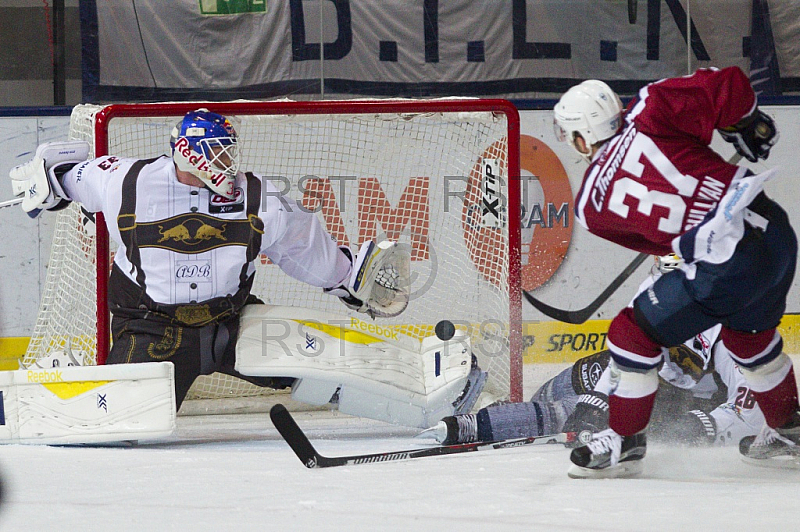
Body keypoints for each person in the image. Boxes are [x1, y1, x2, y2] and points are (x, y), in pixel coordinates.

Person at [8, 109, 427, 413]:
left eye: (229, 153)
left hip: (231, 322)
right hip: (152, 328)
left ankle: (419, 386)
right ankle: (52, 382)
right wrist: (48, 181)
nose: (228, 164)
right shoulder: (124, 179)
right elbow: (69, 175)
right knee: (123, 419)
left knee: (324, 369)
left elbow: (303, 247)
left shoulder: (262, 197)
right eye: (218, 154)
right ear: (188, 153)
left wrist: (347, 278)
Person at [551, 67, 798, 477]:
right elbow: (726, 83)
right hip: (775, 232)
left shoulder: (590, 208)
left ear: (580, 137)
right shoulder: (651, 107)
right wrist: (748, 121)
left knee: (631, 334)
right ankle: (790, 428)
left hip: (728, 262)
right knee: (748, 339)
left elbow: (660, 245)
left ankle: (624, 441)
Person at [425, 255, 766, 449]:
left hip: (694, 406)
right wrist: (597, 404)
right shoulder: (654, 304)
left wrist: (685, 428)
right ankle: (484, 418)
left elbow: (751, 414)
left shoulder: (737, 335)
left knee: (569, 410)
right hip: (654, 385)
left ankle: (477, 423)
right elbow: (625, 362)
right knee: (576, 392)